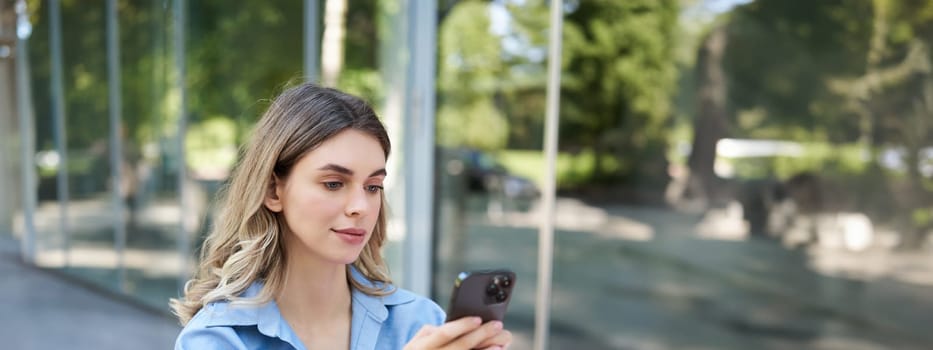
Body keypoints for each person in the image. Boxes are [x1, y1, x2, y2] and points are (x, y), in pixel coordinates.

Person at [170, 83, 512, 350]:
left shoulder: (422, 321)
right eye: (334, 183)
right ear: (274, 191)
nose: (360, 206)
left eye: (373, 186)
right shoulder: (218, 339)